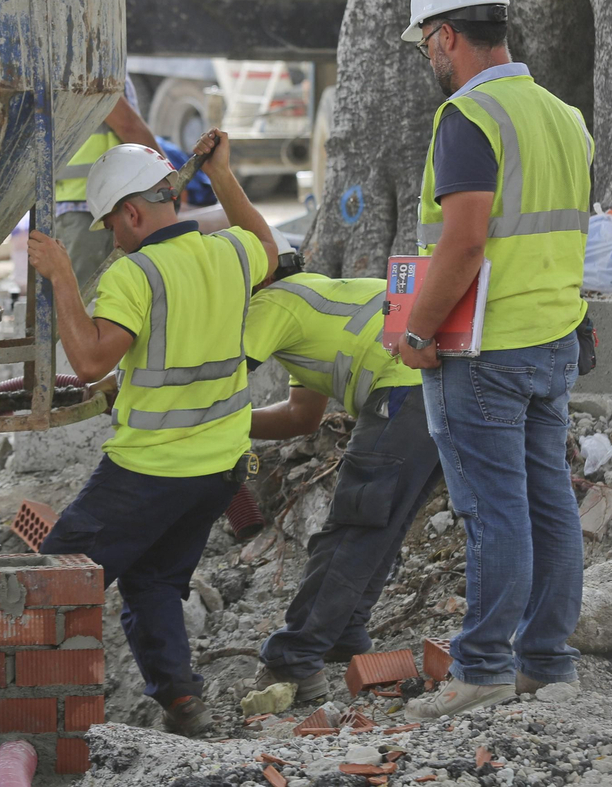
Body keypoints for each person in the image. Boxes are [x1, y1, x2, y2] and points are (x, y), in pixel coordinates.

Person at [27, 131, 277, 737]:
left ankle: (22, 711)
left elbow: (88, 362)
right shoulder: (230, 254)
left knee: (55, 579)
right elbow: (268, 242)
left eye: (110, 224)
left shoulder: (133, 275)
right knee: (153, 580)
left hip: (149, 472)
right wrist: (222, 174)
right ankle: (183, 703)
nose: (111, 237)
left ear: (132, 213)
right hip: (219, 471)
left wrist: (62, 275)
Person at [395, 0, 593, 718]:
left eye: (427, 48)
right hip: (552, 339)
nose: (430, 63)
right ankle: (546, 663)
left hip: (482, 351)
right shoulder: (561, 116)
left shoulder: (468, 118)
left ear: (447, 37)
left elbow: (466, 239)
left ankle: (480, 669)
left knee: (495, 511)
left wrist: (415, 329)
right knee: (549, 507)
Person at [244, 247, 441, 704]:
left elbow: (218, 379)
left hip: (403, 393)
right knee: (381, 526)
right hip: (430, 393)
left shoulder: (268, 304)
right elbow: (300, 416)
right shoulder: (313, 303)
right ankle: (343, 636)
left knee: (354, 525)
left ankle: (293, 658)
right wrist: (234, 422)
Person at [54, 85, 158, 283]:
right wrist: (166, 176)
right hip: (93, 206)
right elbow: (128, 125)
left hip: (86, 201)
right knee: (89, 298)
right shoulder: (95, 64)